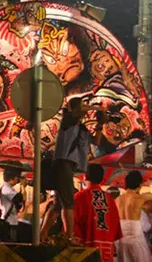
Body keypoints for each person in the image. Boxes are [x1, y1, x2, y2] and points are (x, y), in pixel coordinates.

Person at [41, 98, 104, 241]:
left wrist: (100, 124)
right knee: (69, 203)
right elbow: (75, 111)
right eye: (82, 105)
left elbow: (97, 141)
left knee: (58, 204)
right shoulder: (67, 121)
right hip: (63, 163)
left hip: (69, 165)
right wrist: (98, 109)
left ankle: (43, 233)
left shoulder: (81, 128)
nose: (85, 109)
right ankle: (69, 236)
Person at [73, 163, 122, 262]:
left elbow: (73, 225)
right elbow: (115, 226)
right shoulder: (109, 198)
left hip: (85, 250)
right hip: (106, 250)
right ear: (102, 179)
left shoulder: (79, 197)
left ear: (84, 177)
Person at [0, 168, 25, 242]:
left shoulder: (8, 188)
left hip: (11, 220)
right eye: (18, 178)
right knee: (10, 243)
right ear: (14, 178)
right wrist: (23, 187)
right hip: (9, 221)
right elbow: (18, 198)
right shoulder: (6, 188)